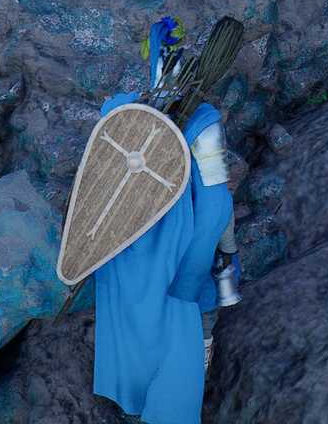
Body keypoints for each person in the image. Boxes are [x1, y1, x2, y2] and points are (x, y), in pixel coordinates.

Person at [90, 91, 235, 424]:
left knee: (142, 374)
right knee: (178, 383)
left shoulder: (118, 113)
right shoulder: (203, 125)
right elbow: (216, 206)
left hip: (128, 281)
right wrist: (194, 277)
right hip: (179, 286)